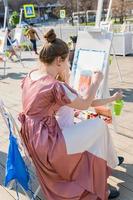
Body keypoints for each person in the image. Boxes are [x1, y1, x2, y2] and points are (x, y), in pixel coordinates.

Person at [19, 29, 123, 200]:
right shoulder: (54, 86)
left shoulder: (31, 76)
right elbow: (84, 104)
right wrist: (96, 82)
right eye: (67, 61)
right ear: (59, 60)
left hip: (33, 138)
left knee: (94, 129)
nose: (68, 65)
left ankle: (108, 161)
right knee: (98, 125)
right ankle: (106, 166)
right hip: (48, 144)